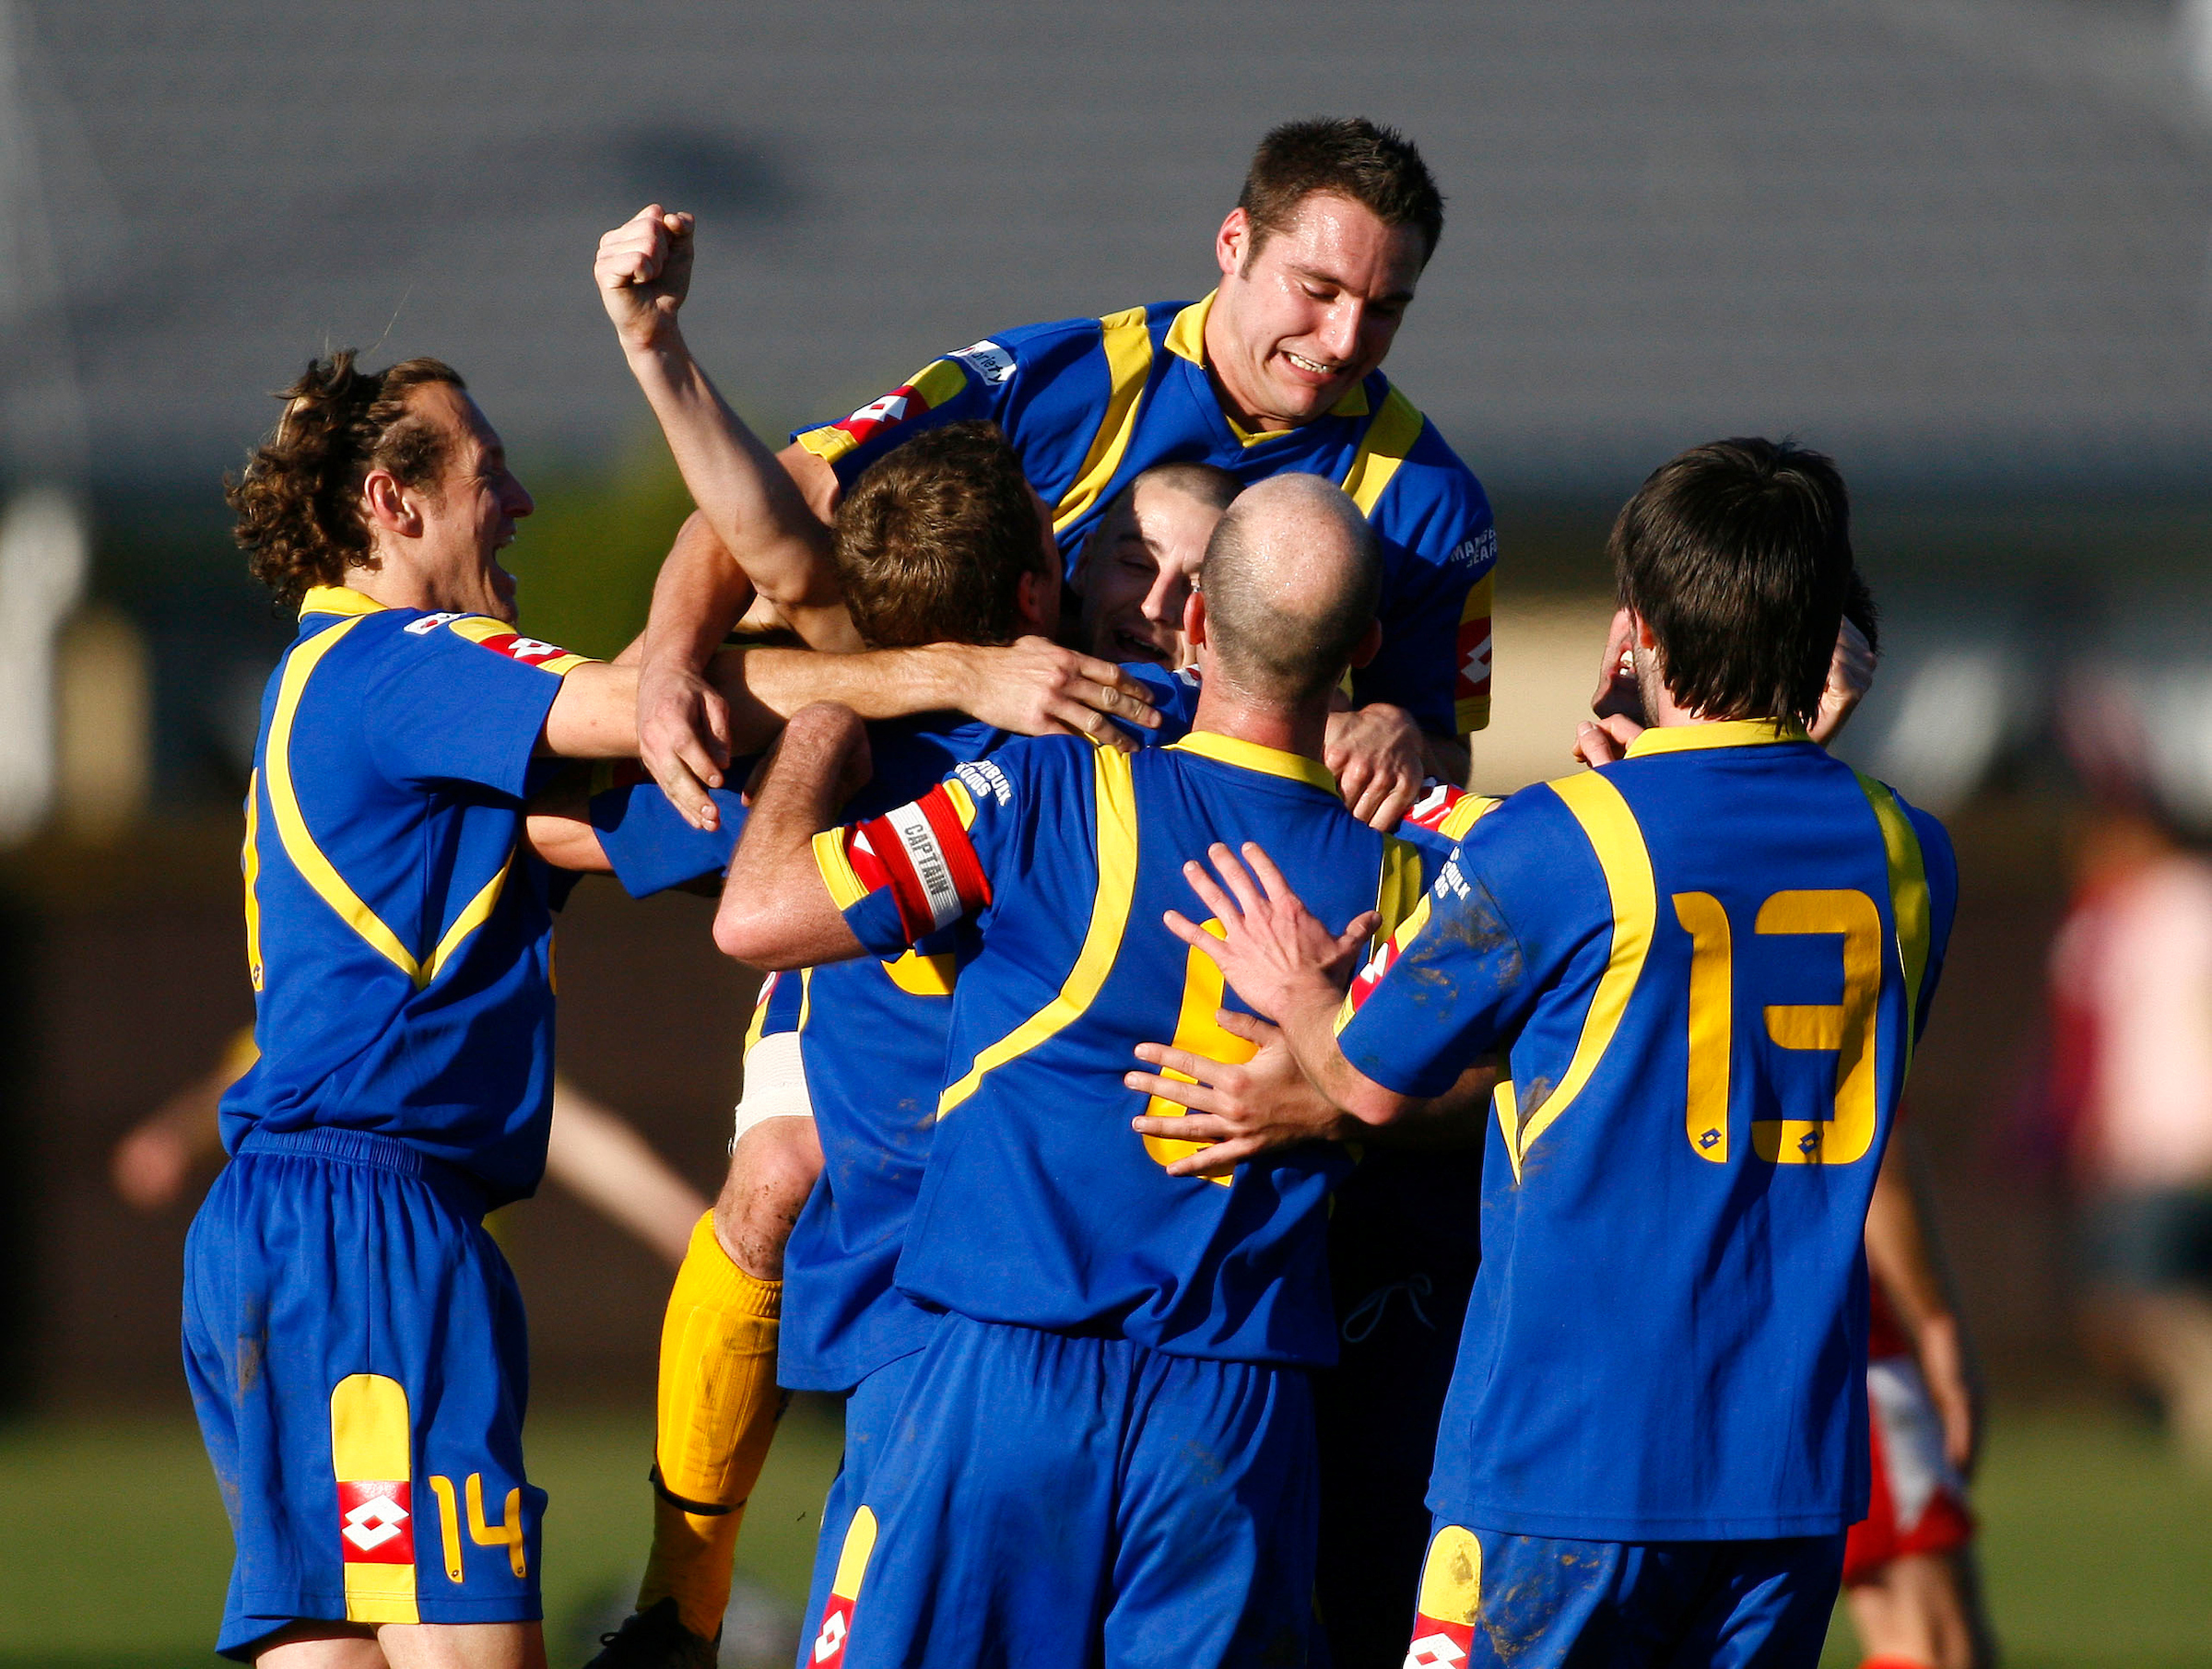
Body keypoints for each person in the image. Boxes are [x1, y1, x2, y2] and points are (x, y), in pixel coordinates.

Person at [1157, 439, 1958, 1667]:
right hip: (1786, 1472)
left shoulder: (1563, 837)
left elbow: (1366, 1075)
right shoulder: (1911, 853)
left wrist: (1301, 985)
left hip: (1565, 1458)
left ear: (1633, 632)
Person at [712, 474, 1490, 1669]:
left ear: (1193, 626)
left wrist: (823, 719)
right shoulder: (1411, 882)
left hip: (1002, 1372)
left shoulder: (1050, 786)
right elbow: (1551, 1049)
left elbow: (758, 915)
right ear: (1367, 650)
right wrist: (1335, 1085)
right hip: (1232, 1418)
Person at [566, 438, 1227, 1669]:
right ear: (1048, 586)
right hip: (973, 1293)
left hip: (1045, 1285)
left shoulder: (1162, 737)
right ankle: (683, 1599)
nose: (1158, 594)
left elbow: (604, 812)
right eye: (1131, 556)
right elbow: (659, 753)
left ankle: (689, 1601)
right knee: (772, 1180)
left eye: (1195, 571)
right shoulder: (916, 740)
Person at [596, 116, 1498, 834]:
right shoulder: (1052, 379)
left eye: (1385, 309)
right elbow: (757, 522)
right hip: (949, 795)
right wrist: (666, 670)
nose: (1345, 341)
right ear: (1234, 242)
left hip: (1195, 879)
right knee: (577, 804)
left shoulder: (1432, 499)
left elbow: (1441, 760)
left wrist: (1404, 736)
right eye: (1320, 289)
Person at [113, 1030, 708, 1267]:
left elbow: (574, 1136)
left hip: (431, 1297)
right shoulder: (305, 1021)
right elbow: (231, 1092)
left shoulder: (450, 1030)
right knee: (355, 1519)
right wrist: (171, 1136)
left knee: (396, 1520)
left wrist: (677, 1221)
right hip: (329, 1308)